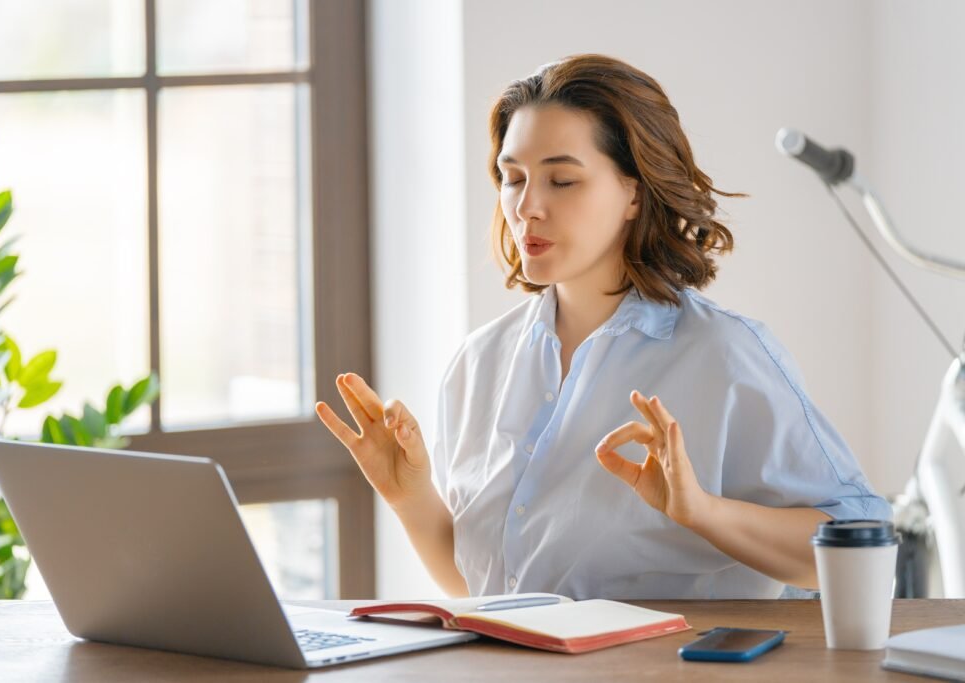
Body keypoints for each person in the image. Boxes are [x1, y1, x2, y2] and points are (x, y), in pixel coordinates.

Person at [315, 54, 890, 600]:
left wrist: (703, 512)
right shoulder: (478, 363)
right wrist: (409, 495)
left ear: (634, 193)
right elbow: (489, 592)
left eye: (562, 181)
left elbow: (863, 546)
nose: (526, 208)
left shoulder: (723, 355)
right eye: (512, 178)